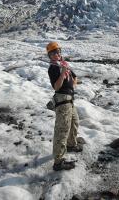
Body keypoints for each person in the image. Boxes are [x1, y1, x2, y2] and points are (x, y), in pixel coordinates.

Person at [46, 41, 82, 171]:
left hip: (70, 98)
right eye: (54, 53)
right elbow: (56, 86)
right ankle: (58, 162)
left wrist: (72, 81)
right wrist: (63, 73)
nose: (57, 54)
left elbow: (74, 78)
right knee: (62, 129)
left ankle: (71, 144)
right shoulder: (54, 68)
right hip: (62, 99)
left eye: (59, 51)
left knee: (74, 122)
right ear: (50, 56)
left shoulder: (64, 65)